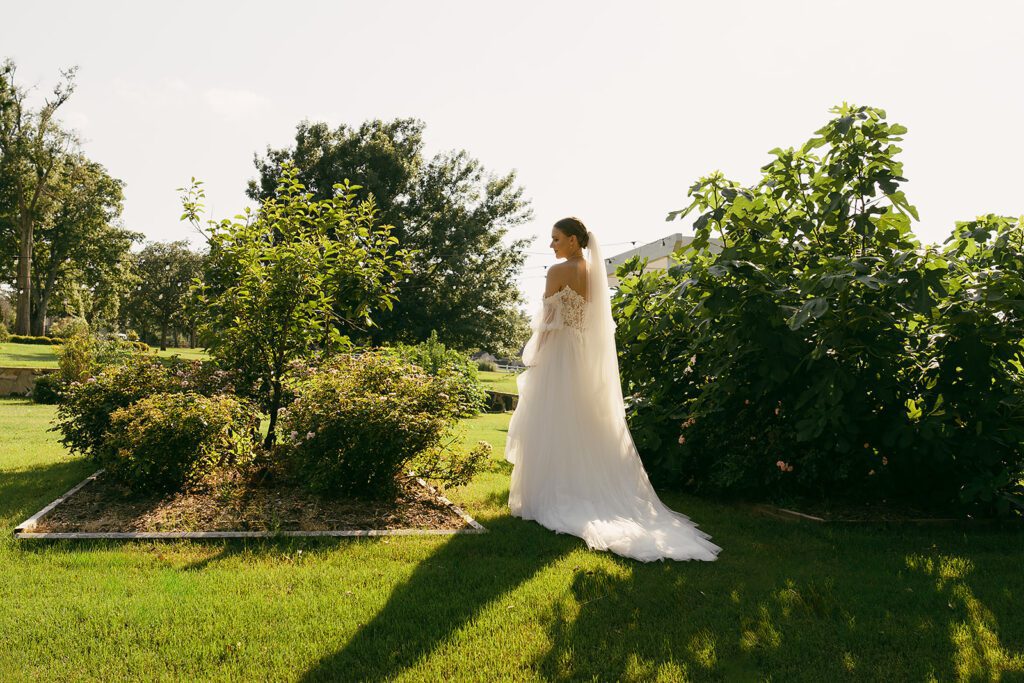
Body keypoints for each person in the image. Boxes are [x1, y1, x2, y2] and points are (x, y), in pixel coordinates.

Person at [505, 217, 722, 562]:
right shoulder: (594, 274)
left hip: (560, 354)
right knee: (583, 422)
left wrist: (536, 355)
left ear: (574, 241)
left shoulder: (556, 272)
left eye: (556, 239)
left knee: (552, 420)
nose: (552, 245)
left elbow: (548, 320)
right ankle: (580, 487)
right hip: (582, 358)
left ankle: (550, 495)